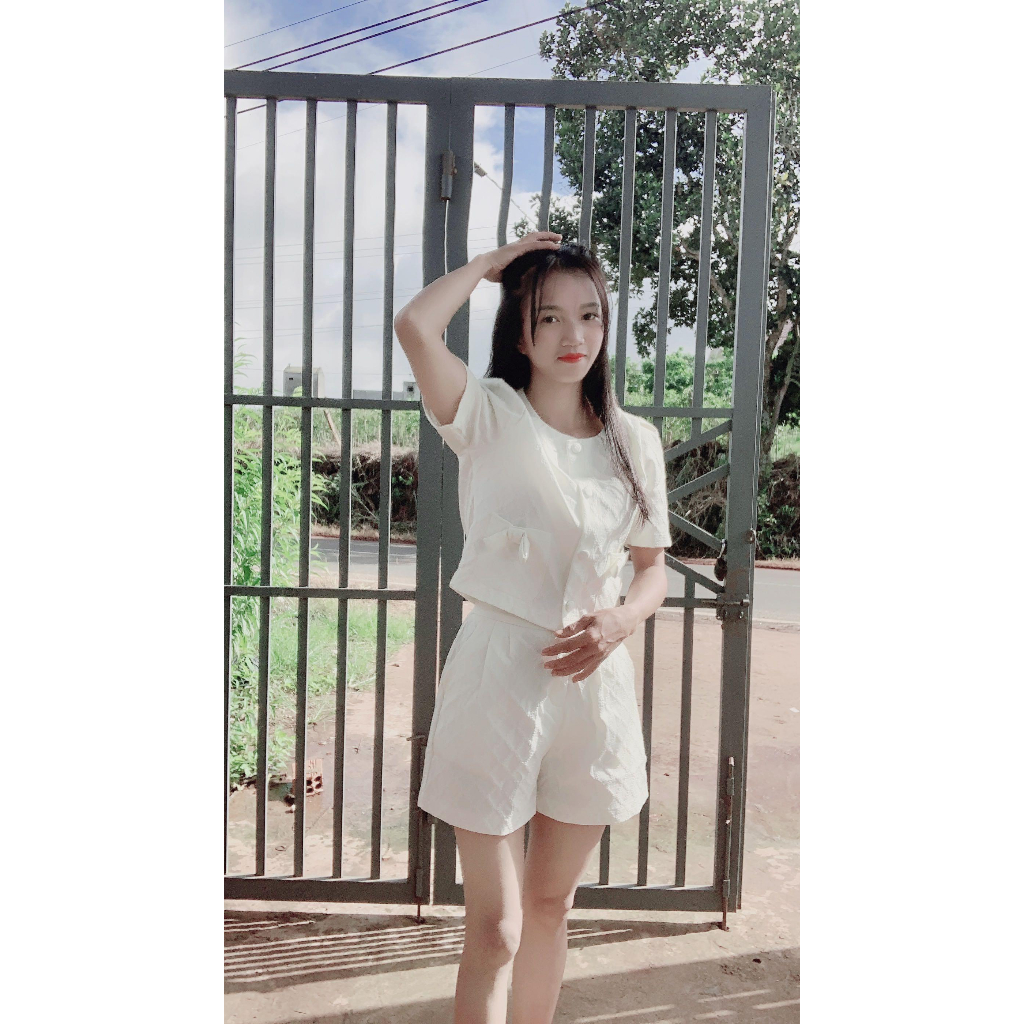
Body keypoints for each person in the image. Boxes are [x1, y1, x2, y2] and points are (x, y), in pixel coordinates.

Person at [394, 231, 671, 1024]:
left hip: (594, 684)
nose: (572, 335)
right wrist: (491, 265)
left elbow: (651, 568)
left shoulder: (633, 440)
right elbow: (415, 326)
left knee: (552, 907)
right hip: (499, 675)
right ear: (520, 330)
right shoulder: (486, 413)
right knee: (498, 927)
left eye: (589, 315)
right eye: (548, 317)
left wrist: (621, 620)